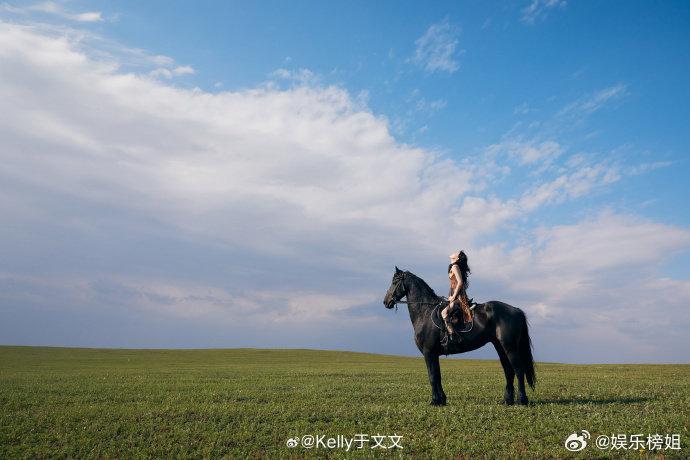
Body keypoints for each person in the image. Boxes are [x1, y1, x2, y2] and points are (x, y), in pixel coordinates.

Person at [441, 250, 473, 343]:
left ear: (457, 258)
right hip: (454, 296)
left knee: (444, 313)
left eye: (457, 253)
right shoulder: (453, 267)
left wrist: (453, 296)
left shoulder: (455, 266)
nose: (454, 252)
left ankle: (453, 337)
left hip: (459, 297)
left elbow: (460, 283)